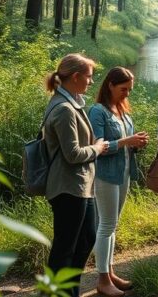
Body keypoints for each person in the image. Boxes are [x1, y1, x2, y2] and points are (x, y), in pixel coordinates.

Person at [43, 54, 109, 297]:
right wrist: (98, 149)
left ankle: (68, 290)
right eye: (89, 77)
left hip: (81, 186)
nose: (92, 82)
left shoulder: (72, 102)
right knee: (65, 248)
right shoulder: (64, 109)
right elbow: (72, 154)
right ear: (76, 77)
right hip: (67, 187)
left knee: (85, 239)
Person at [88, 67, 149, 296]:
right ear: (110, 85)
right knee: (105, 225)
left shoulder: (122, 110)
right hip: (105, 174)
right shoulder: (98, 111)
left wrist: (136, 144)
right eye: (124, 89)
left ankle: (110, 272)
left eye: (130, 90)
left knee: (113, 224)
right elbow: (99, 147)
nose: (127, 94)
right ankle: (102, 280)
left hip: (123, 173)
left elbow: (125, 144)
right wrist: (126, 141)